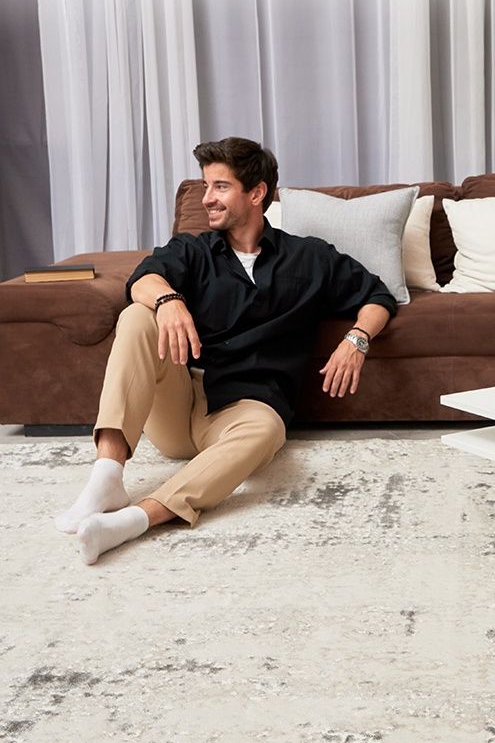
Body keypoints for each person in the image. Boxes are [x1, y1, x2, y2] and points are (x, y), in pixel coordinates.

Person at [55, 137, 396, 564]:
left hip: (245, 410)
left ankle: (137, 519)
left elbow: (377, 296)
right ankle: (107, 475)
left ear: (256, 193)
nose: (207, 198)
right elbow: (143, 280)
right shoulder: (193, 249)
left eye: (220, 186)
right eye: (205, 186)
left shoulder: (310, 257)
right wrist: (168, 300)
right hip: (179, 402)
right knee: (138, 315)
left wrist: (357, 339)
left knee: (268, 430)